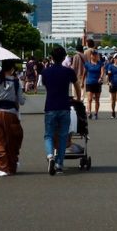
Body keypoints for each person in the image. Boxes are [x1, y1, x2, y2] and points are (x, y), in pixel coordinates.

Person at [41, 46, 77, 176]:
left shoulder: (45, 72)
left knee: (49, 135)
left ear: (51, 57)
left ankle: (50, 156)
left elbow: (46, 86)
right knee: (62, 136)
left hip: (50, 106)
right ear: (63, 58)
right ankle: (59, 164)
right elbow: (76, 86)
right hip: (64, 106)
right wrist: (77, 98)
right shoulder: (68, 72)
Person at [0, 61, 25, 176]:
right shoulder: (16, 82)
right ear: (12, 69)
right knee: (12, 140)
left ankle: (2, 167)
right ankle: (11, 164)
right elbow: (21, 101)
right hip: (11, 114)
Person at [84, 50, 104, 120]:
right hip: (89, 83)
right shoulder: (87, 64)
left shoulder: (100, 63)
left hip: (97, 83)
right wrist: (82, 82)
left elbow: (102, 72)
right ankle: (89, 112)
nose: (94, 56)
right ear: (90, 56)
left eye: (95, 55)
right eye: (93, 55)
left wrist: (101, 78)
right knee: (89, 99)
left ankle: (96, 113)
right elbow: (84, 73)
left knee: (97, 99)